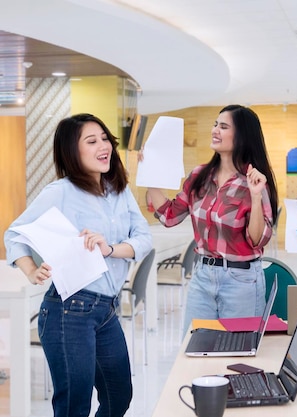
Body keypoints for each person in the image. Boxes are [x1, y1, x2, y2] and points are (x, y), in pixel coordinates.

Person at [4, 114, 153, 417]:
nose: (104, 146)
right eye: (92, 140)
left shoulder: (119, 191)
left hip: (106, 310)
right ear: (73, 151)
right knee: (74, 406)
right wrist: (31, 269)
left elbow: (144, 239)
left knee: (118, 396)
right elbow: (14, 234)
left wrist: (110, 249)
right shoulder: (60, 192)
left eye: (104, 138)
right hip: (68, 312)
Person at [145, 104, 278, 334]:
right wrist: (149, 172)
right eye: (215, 124)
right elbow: (169, 216)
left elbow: (257, 240)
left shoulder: (254, 181)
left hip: (242, 280)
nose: (215, 130)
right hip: (203, 276)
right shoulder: (199, 175)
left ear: (241, 136)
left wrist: (256, 197)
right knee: (194, 349)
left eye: (223, 126)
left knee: (237, 353)